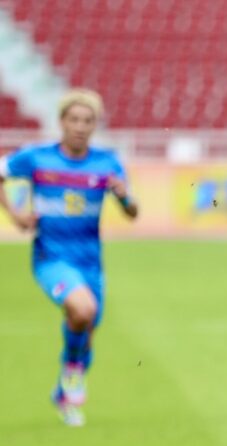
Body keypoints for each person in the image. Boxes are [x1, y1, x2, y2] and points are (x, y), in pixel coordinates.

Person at [0, 89, 138, 426]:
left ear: (94, 125)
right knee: (83, 309)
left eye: (87, 121)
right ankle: (72, 373)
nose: (80, 126)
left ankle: (64, 391)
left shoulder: (107, 163)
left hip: (90, 261)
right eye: (74, 119)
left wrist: (124, 198)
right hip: (50, 258)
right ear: (61, 122)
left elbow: (133, 212)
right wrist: (15, 214)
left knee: (85, 327)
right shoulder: (36, 158)